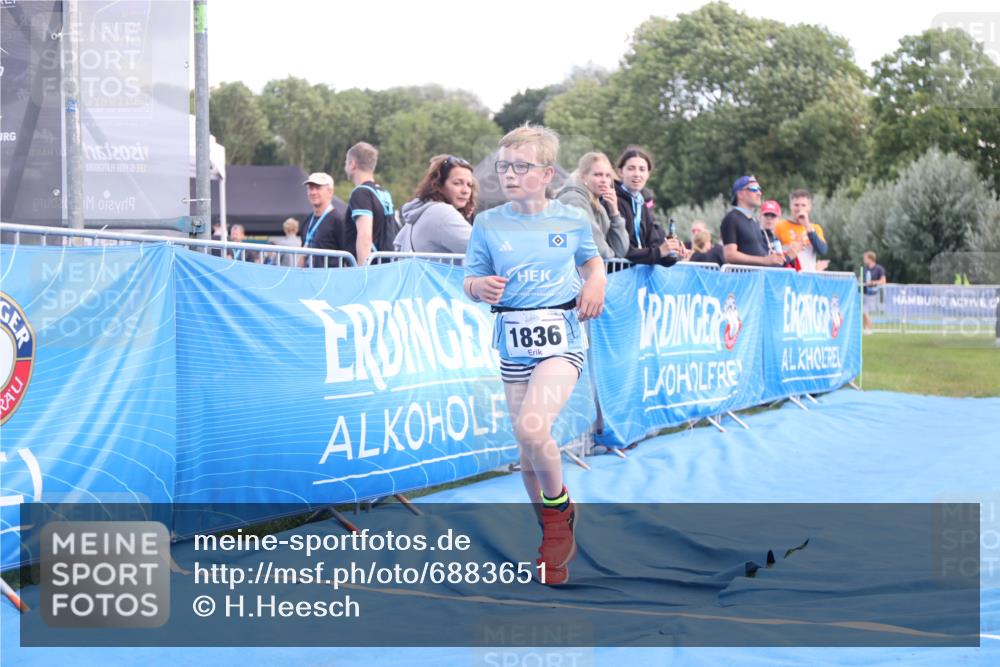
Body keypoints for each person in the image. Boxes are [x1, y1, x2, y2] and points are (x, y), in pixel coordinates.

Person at [463, 124, 606, 586]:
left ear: (546, 173)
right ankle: (550, 530)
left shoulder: (569, 218)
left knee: (532, 426)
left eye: (520, 166)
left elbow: (592, 261)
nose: (508, 174)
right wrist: (479, 287)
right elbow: (471, 279)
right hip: (513, 343)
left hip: (562, 341)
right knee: (527, 454)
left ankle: (559, 518)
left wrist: (597, 282)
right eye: (503, 166)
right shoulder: (487, 223)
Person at [613, 146, 687, 265]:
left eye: (642, 169)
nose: (637, 174)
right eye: (631, 168)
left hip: (635, 277)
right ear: (620, 172)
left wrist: (672, 253)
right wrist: (658, 252)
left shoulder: (642, 203)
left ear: (648, 174)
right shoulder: (612, 201)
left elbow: (653, 245)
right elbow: (624, 250)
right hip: (615, 276)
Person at [394, 155, 477, 254]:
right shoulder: (441, 213)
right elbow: (483, 250)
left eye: (469, 185)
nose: (466, 191)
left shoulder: (421, 212)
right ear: (439, 186)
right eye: (457, 183)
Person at [555, 152, 629, 258]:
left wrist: (614, 212)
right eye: (598, 175)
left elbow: (621, 250)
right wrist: (610, 257)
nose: (604, 180)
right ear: (583, 177)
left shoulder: (597, 204)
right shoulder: (574, 200)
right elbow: (598, 249)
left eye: (608, 176)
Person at [344, 142, 394, 266]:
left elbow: (365, 236)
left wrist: (363, 274)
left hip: (372, 268)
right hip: (387, 266)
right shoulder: (384, 193)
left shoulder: (361, 193)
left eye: (346, 162)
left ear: (353, 164)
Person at [720, 175, 785, 267]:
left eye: (759, 189)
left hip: (756, 278)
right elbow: (730, 255)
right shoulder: (731, 218)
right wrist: (764, 260)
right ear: (740, 194)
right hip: (742, 279)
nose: (759, 193)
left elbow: (759, 253)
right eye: (754, 189)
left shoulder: (754, 222)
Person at [775, 189, 829, 272]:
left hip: (808, 278)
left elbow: (822, 250)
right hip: (787, 276)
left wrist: (807, 226)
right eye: (796, 205)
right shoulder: (779, 226)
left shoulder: (815, 228)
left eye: (803, 205)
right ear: (791, 206)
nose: (799, 208)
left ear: (809, 207)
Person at [300, 172, 341, 266]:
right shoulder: (307, 221)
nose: (313, 192)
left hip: (329, 278)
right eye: (310, 188)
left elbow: (348, 256)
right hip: (308, 277)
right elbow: (303, 251)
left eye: (318, 188)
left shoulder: (338, 220)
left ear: (330, 191)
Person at [760, 200, 798, 270]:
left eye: (773, 215)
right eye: (766, 215)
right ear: (760, 216)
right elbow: (767, 266)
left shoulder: (776, 238)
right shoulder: (757, 236)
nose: (769, 218)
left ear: (779, 219)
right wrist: (789, 257)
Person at [862, 251, 887, 334]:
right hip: (864, 292)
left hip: (872, 293)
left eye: (865, 258)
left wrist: (873, 282)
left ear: (871, 259)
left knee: (865, 311)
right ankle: (865, 329)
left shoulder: (879, 268)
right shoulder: (865, 268)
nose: (864, 260)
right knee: (864, 312)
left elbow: (883, 281)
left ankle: (869, 328)